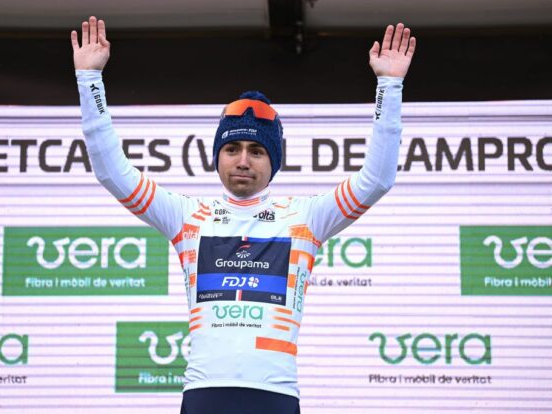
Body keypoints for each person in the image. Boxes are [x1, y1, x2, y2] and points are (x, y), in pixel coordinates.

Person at [71, 16, 415, 414]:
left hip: (276, 395)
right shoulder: (186, 216)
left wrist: (389, 87)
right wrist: (89, 80)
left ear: (274, 161)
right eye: (232, 150)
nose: (243, 161)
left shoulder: (306, 217)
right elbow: (111, 171)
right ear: (217, 158)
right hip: (204, 393)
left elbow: (377, 179)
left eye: (257, 151)